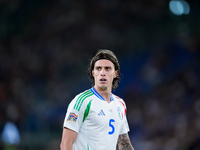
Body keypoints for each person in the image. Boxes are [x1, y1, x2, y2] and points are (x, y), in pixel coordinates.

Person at [60, 49, 134, 150]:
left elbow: (124, 145)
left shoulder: (120, 104)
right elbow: (65, 144)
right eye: (98, 68)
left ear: (115, 73)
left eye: (107, 69)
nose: (102, 73)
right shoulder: (82, 101)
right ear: (93, 73)